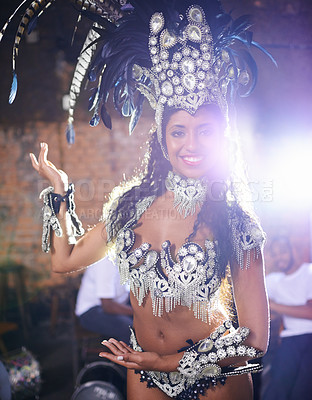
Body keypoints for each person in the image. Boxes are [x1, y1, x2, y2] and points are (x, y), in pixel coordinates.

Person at [3, 1, 272, 399]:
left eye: (206, 131)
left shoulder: (235, 221)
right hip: (144, 375)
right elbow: (65, 260)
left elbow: (255, 341)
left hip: (214, 377)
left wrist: (167, 362)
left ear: (223, 139)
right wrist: (60, 193)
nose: (191, 144)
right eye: (179, 131)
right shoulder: (130, 206)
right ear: (162, 138)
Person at [262, 236, 312, 400]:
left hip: (309, 336)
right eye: (274, 254)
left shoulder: (309, 271)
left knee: (301, 392)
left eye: (282, 252)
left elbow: (310, 312)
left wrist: (274, 305)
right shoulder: (274, 280)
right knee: (276, 391)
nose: (279, 258)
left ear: (294, 250)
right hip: (289, 339)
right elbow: (263, 306)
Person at [75, 256, 133, 344]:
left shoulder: (126, 259)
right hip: (91, 311)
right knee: (129, 328)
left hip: (116, 305)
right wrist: (137, 313)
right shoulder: (106, 262)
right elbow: (107, 306)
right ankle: (125, 357)